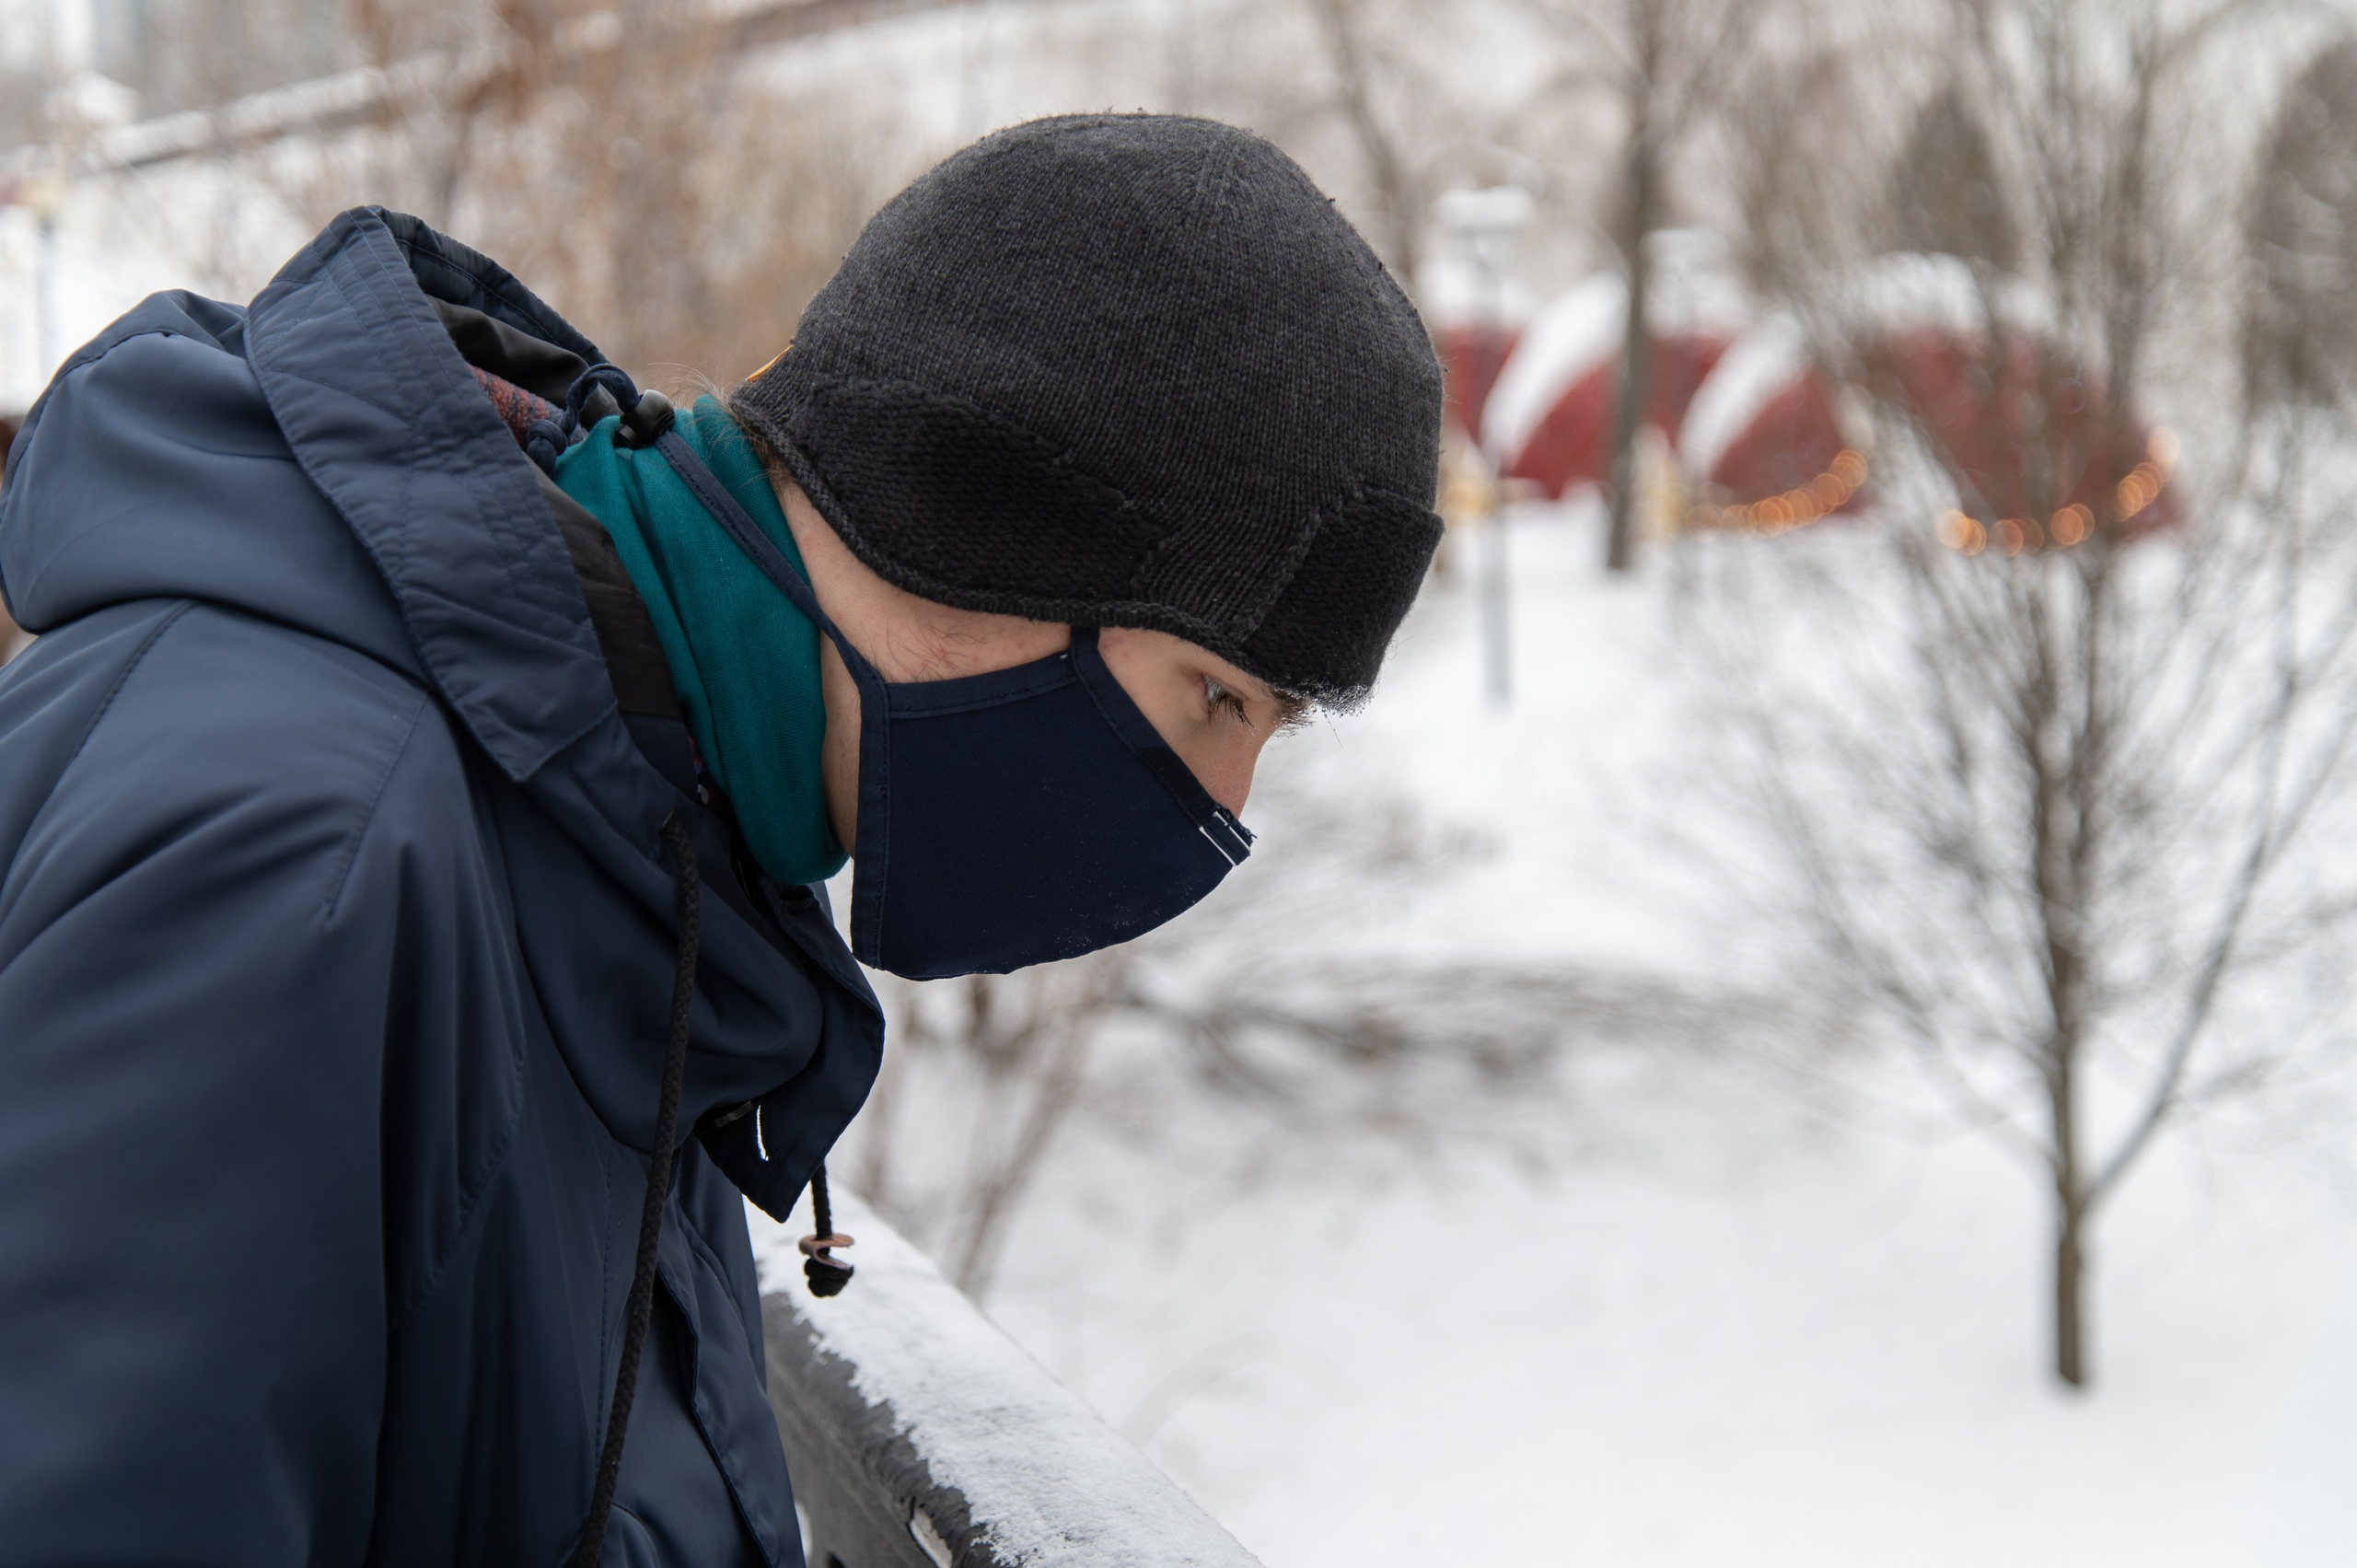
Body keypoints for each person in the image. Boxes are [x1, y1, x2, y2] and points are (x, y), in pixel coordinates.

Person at [0, 114, 1440, 1565]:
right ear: (986, 530)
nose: (1229, 801)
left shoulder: (644, 842)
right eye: (1219, 697)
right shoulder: (305, 859)